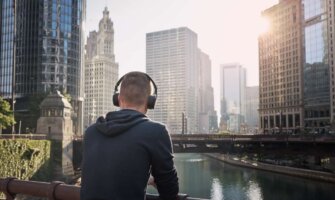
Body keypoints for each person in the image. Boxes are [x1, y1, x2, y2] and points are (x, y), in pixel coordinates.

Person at [80, 71, 179, 200]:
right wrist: (151, 180)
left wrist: (142, 177)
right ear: (149, 102)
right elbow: (170, 191)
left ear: (118, 99)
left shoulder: (91, 132)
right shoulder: (156, 132)